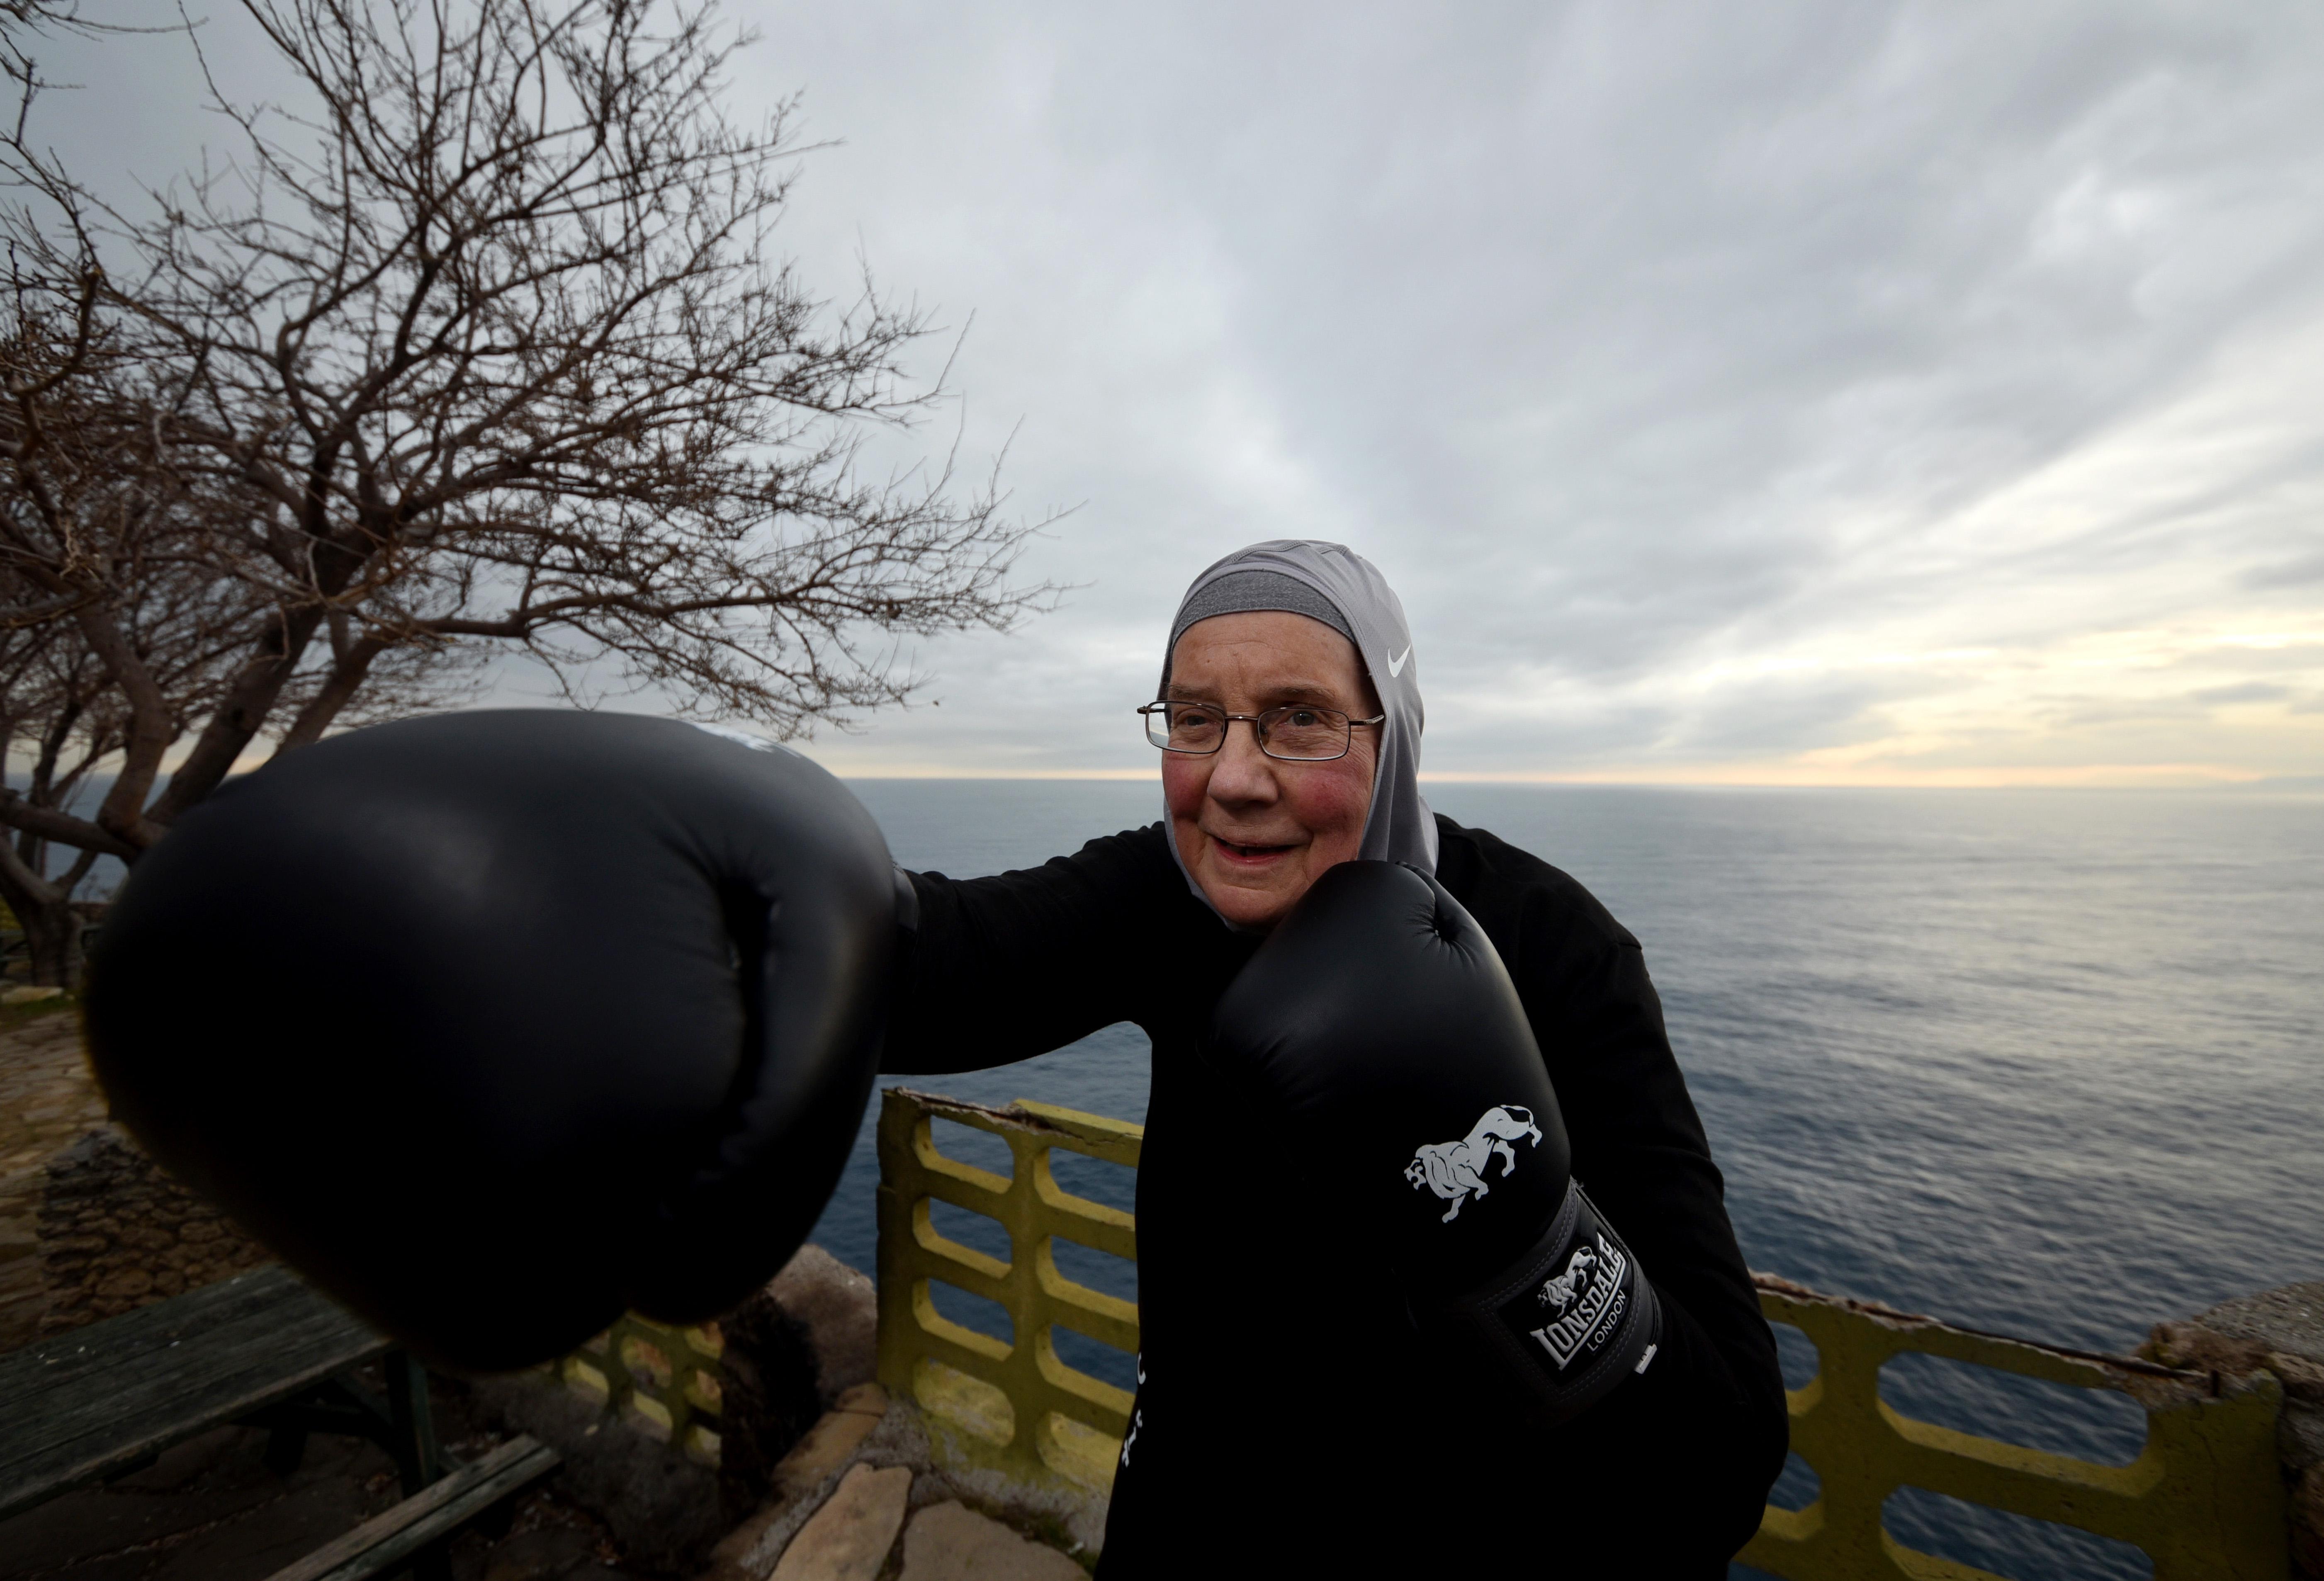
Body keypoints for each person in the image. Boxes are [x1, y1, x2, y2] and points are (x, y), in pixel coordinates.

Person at [880, 540, 1787, 1574]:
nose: (1232, 778)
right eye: (1193, 718)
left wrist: (1518, 1244)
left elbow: (1722, 1464)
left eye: (1299, 718)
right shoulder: (1173, 897)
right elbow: (940, 962)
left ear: (1390, 734)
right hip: (1191, 1526)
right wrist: (731, 892)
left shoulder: (1556, 947)